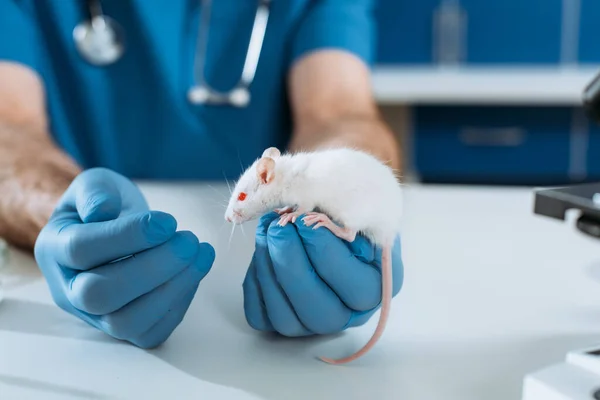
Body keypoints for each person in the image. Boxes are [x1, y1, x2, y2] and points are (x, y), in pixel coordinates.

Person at [0, 0, 404, 349]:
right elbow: (8, 127)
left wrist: (356, 197)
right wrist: (66, 214)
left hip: (254, 270)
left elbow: (340, 112)